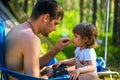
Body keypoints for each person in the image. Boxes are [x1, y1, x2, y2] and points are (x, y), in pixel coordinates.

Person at [3, 0, 70, 80]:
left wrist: (56, 50)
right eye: (55, 23)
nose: (55, 29)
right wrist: (51, 74)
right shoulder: (31, 39)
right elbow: (34, 79)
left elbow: (28, 65)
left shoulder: (16, 29)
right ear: (46, 18)